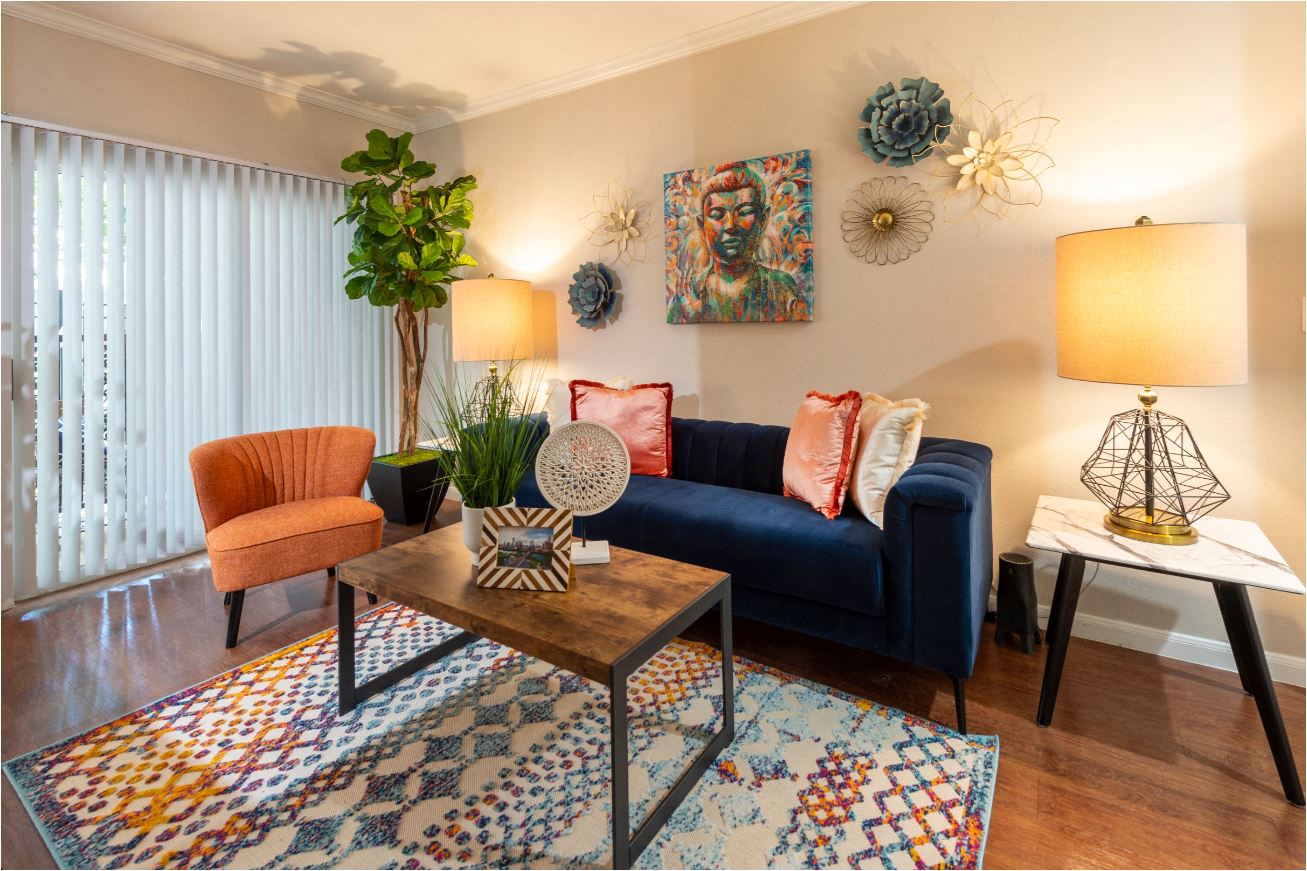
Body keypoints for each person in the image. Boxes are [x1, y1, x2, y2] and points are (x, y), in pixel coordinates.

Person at [676, 163, 807, 322]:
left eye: (745, 212)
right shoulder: (690, 292)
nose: (731, 226)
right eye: (717, 215)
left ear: (763, 220)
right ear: (701, 226)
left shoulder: (782, 287)